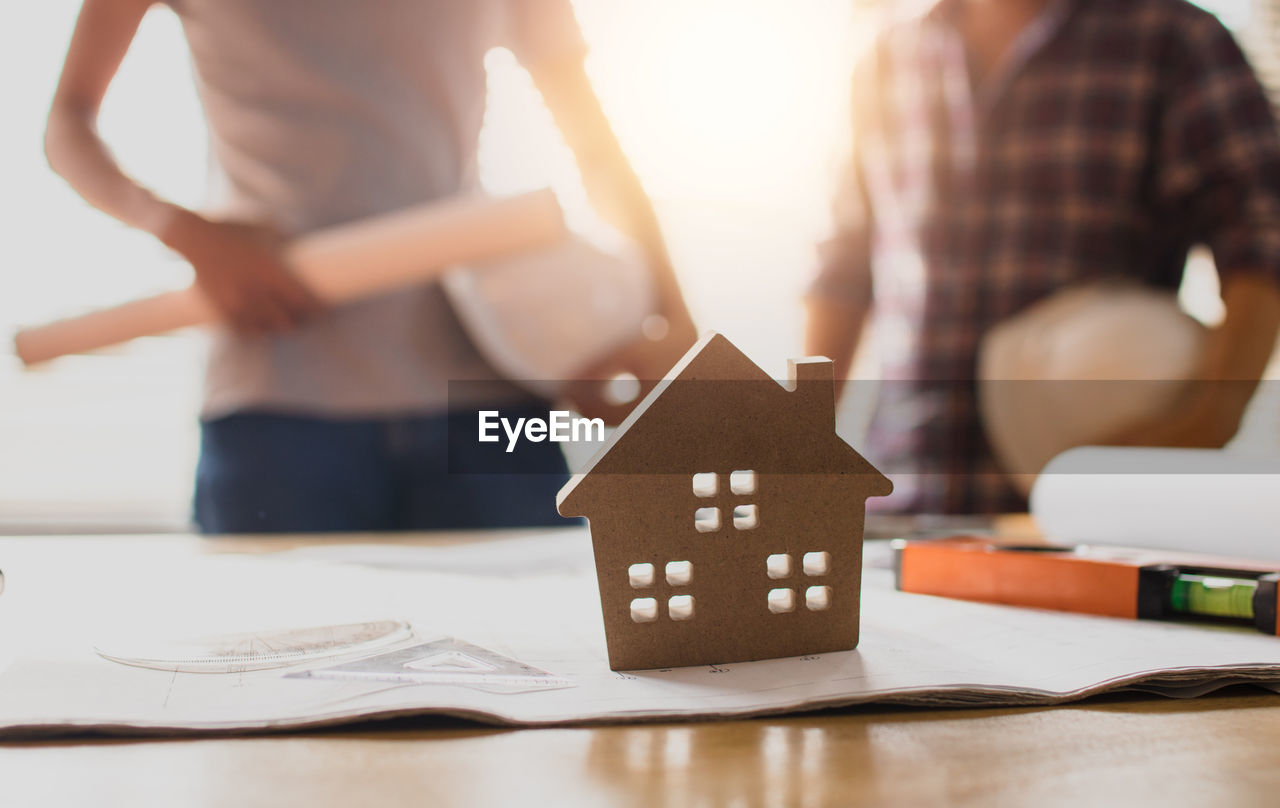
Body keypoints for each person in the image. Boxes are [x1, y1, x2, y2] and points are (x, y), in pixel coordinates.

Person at [44, 0, 696, 532]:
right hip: (275, 395)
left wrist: (671, 318)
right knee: (273, 678)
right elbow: (67, 124)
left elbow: (593, 141)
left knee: (548, 664)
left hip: (489, 386)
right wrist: (181, 230)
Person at [806, 0, 1280, 514]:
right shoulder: (886, 56)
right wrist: (799, 442)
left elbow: (1261, 236)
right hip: (903, 496)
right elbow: (845, 268)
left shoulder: (1174, 40)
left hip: (1085, 512)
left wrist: (1212, 415)